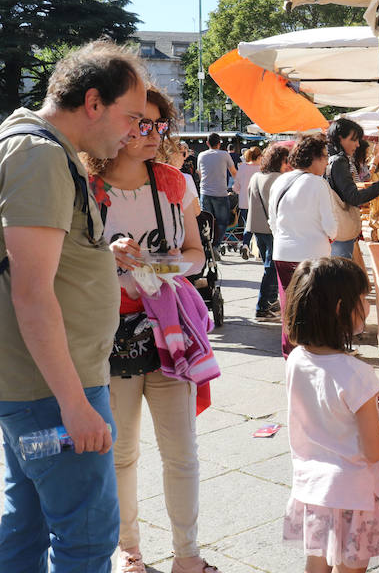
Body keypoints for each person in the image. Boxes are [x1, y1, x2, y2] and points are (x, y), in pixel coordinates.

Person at [0, 39, 146, 572]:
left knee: (29, 522)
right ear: (92, 103)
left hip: (38, 387)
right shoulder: (39, 154)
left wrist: (95, 258)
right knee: (85, 535)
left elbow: (38, 269)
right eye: (129, 116)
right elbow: (32, 293)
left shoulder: (35, 147)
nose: (132, 132)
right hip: (53, 392)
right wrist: (75, 405)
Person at [85, 86, 217, 573]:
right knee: (121, 455)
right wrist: (107, 255)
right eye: (143, 124)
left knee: (181, 452)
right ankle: (129, 551)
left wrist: (154, 265)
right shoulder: (86, 184)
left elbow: (196, 256)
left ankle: (188, 555)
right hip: (106, 335)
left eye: (161, 126)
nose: (153, 135)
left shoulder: (174, 183)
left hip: (168, 335)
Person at [281, 257, 379, 572]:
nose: (367, 307)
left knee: (316, 562)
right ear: (340, 308)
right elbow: (374, 449)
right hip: (354, 495)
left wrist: (373, 410)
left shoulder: (296, 359)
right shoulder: (358, 374)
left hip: (314, 489)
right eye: (362, 300)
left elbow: (326, 412)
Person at [269, 135, 338, 358]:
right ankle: (314, 352)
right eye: (325, 157)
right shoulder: (318, 184)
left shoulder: (280, 181)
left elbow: (272, 220)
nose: (327, 162)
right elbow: (331, 226)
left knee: (289, 307)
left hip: (283, 252)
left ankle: (291, 353)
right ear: (314, 158)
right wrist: (332, 236)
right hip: (313, 254)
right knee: (315, 307)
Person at [326, 118, 379, 259]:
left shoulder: (330, 159)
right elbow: (354, 197)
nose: (357, 144)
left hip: (334, 229)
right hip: (340, 229)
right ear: (340, 138)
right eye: (353, 140)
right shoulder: (339, 161)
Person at [247, 143, 291, 322]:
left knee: (269, 265)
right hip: (271, 228)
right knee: (271, 267)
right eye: (285, 160)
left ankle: (268, 303)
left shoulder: (256, 176)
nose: (288, 164)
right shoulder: (278, 179)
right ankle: (264, 306)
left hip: (256, 227)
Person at [197, 132, 237, 250]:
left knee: (206, 222)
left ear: (207, 143)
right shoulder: (224, 155)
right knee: (223, 221)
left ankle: (206, 245)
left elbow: (199, 173)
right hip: (220, 193)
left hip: (205, 192)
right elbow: (234, 172)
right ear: (219, 144)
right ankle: (215, 245)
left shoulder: (201, 155)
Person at [233, 145, 262, 259]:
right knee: (259, 227)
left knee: (248, 225)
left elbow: (236, 187)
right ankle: (259, 250)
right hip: (258, 202)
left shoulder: (243, 167)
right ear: (259, 156)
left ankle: (245, 245)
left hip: (244, 201)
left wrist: (240, 191)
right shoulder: (261, 168)